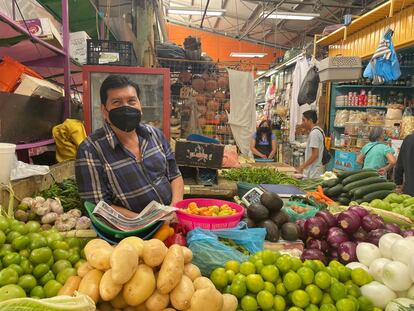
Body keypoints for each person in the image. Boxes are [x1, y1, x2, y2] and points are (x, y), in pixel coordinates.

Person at [75, 75, 184, 217]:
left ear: (140, 105)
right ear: (104, 110)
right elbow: (98, 207)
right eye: (116, 102)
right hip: (133, 232)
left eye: (131, 101)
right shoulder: (90, 150)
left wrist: (174, 208)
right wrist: (149, 220)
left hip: (172, 219)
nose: (126, 107)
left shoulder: (155, 135)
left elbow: (175, 175)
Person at [296, 110, 324, 178]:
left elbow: (315, 155)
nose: (302, 123)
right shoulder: (318, 130)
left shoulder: (314, 133)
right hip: (314, 170)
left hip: (314, 172)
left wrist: (302, 167)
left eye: (303, 120)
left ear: (310, 120)